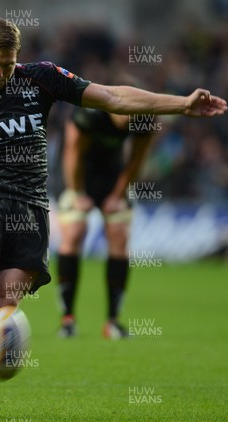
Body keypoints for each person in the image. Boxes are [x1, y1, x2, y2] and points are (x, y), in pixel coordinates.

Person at [0, 18, 227, 420]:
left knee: (2, 309)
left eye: (8, 65)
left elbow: (114, 97)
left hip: (30, 211)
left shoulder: (41, 79)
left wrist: (182, 104)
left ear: (18, 59)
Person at [57, 106, 155, 339]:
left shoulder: (144, 118)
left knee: (119, 233)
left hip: (112, 176)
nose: (128, 119)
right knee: (74, 231)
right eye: (124, 113)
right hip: (75, 174)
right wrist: (77, 192)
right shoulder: (89, 113)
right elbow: (72, 152)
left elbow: (136, 160)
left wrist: (117, 195)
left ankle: (112, 321)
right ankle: (68, 320)